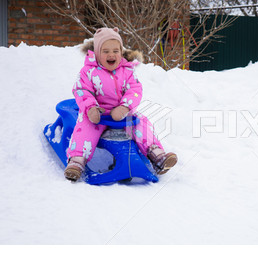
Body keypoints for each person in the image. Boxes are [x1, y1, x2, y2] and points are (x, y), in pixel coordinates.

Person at [64, 27, 177, 182]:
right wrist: (90, 108)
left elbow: (135, 90)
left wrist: (125, 107)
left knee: (142, 124)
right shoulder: (88, 71)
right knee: (85, 128)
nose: (111, 55)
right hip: (98, 113)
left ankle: (157, 155)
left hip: (123, 113)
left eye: (116, 51)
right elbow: (82, 90)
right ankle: (76, 161)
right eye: (105, 51)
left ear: (121, 52)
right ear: (97, 53)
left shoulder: (127, 71)